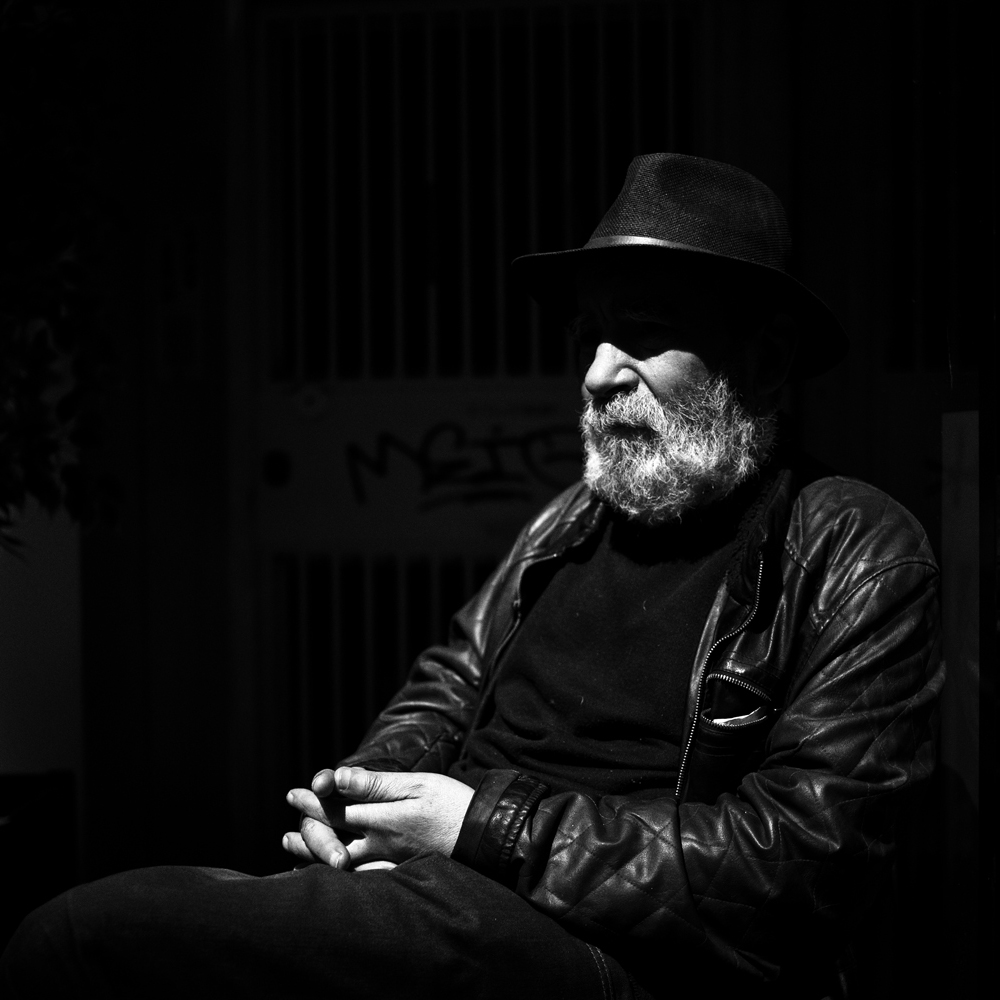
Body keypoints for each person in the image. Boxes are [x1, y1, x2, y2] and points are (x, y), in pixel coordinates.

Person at [1, 153, 942, 1000]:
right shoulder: (569, 522)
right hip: (449, 893)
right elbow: (446, 687)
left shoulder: (856, 549)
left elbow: (802, 865)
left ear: (765, 362)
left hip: (623, 954)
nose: (597, 374)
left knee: (83, 942)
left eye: (645, 334)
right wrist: (366, 801)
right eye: (590, 337)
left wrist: (484, 825)